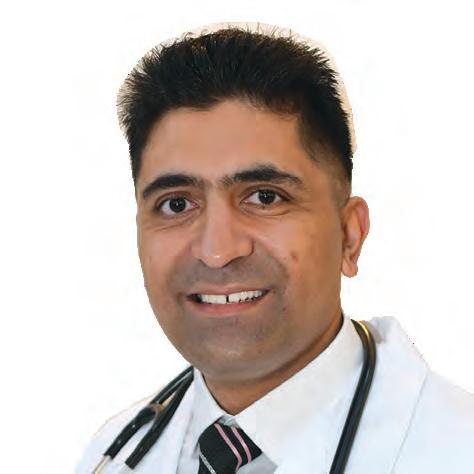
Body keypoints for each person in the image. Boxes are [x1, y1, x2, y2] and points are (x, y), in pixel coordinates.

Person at [76, 21, 474, 473]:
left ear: (349, 236)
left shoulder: (455, 450)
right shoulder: (112, 454)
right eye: (177, 204)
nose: (217, 251)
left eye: (265, 197)